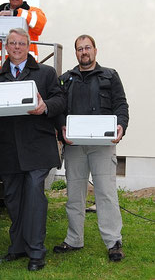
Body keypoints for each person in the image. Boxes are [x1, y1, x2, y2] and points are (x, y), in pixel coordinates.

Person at [0, 28, 66, 271]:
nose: (17, 47)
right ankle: (17, 247)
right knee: (13, 199)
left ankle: (36, 252)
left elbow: (61, 100)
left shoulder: (47, 73)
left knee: (33, 197)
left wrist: (45, 107)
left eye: (21, 43)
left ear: (28, 46)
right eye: (12, 43)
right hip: (9, 148)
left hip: (38, 147)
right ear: (6, 47)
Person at [53, 34, 129, 262]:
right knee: (75, 195)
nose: (84, 52)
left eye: (87, 48)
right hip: (75, 146)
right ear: (76, 53)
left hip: (102, 146)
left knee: (105, 193)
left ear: (95, 50)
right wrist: (61, 129)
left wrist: (121, 126)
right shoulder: (66, 79)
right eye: (79, 49)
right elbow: (58, 110)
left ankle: (113, 242)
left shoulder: (110, 76)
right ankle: (74, 239)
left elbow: (121, 104)